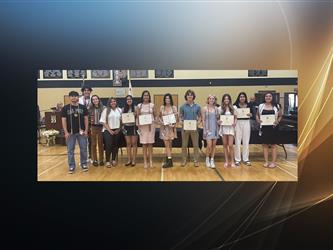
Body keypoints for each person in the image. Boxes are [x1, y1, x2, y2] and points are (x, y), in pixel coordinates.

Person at [61, 91, 89, 174]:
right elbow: (63, 120)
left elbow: (86, 119)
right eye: (72, 96)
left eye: (76, 96)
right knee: (70, 150)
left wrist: (86, 130)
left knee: (83, 149)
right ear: (69, 97)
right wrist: (66, 132)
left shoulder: (83, 107)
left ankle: (84, 164)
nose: (74, 98)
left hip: (82, 132)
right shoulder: (65, 108)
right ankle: (71, 166)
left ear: (78, 97)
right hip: (70, 133)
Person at [256, 92, 282, 168]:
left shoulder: (277, 106)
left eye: (270, 96)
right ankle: (266, 162)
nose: (268, 97)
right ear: (264, 97)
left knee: (273, 145)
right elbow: (257, 115)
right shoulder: (261, 106)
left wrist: (277, 121)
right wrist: (258, 120)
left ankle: (273, 162)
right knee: (265, 145)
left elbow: (280, 116)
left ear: (272, 97)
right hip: (264, 128)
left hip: (273, 128)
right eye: (266, 96)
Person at [179, 89, 201, 167]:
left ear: (193, 96)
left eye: (191, 95)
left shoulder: (197, 106)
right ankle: (184, 160)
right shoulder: (182, 107)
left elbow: (200, 117)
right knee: (184, 145)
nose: (190, 96)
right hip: (185, 129)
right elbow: (180, 117)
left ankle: (196, 160)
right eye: (188, 95)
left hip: (194, 129)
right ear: (186, 97)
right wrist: (181, 121)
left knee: (196, 145)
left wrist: (198, 122)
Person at [136, 90, 157, 169]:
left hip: (150, 126)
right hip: (142, 127)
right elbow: (137, 116)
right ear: (142, 96)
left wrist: (154, 121)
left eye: (147, 95)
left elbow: (155, 115)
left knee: (150, 144)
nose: (146, 97)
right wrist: (138, 126)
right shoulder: (139, 105)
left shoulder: (152, 105)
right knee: (144, 144)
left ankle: (151, 161)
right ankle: (145, 161)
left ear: (149, 97)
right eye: (144, 95)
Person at [100, 97, 122, 167]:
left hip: (117, 130)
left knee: (115, 146)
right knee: (108, 145)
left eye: (114, 101)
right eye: (111, 102)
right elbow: (103, 121)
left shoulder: (119, 110)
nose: (113, 103)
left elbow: (122, 121)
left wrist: (118, 129)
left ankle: (113, 159)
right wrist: (110, 130)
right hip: (107, 130)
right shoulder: (106, 110)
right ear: (109, 103)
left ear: (116, 102)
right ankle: (107, 161)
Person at [159, 93, 178, 168]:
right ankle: (170, 161)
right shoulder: (162, 107)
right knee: (166, 144)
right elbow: (159, 117)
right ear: (164, 99)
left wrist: (174, 124)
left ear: (171, 99)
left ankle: (168, 158)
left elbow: (177, 118)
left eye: (169, 98)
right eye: (166, 98)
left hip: (171, 128)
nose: (167, 100)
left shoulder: (174, 108)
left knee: (170, 145)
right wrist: (162, 123)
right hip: (164, 129)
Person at [233, 92, 252, 166]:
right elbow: (233, 116)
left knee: (246, 141)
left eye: (243, 97)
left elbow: (253, 114)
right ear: (238, 98)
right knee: (237, 141)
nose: (242, 98)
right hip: (238, 123)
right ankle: (237, 159)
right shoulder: (235, 106)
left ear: (245, 98)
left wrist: (250, 114)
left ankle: (246, 159)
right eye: (240, 97)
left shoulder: (249, 105)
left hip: (246, 122)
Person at [218, 94, 237, 168]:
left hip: (231, 128)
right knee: (225, 145)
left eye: (228, 99)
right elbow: (218, 118)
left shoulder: (233, 107)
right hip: (223, 128)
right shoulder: (220, 108)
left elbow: (236, 118)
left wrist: (235, 123)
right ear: (223, 100)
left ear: (230, 100)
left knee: (231, 145)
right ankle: (226, 161)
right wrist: (218, 121)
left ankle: (232, 161)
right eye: (225, 99)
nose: (226, 100)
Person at [201, 95, 219, 168]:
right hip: (208, 129)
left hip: (215, 128)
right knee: (209, 145)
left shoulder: (216, 108)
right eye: (210, 98)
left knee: (214, 146)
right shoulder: (204, 108)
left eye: (213, 99)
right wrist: (205, 129)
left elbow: (217, 118)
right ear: (208, 100)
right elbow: (203, 120)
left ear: (214, 100)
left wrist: (219, 121)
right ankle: (207, 159)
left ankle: (212, 160)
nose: (211, 100)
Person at [88, 95, 105, 167]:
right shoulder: (90, 109)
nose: (95, 100)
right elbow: (88, 119)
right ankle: (94, 159)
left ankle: (101, 159)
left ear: (99, 100)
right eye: (93, 99)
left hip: (101, 127)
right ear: (92, 101)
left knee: (101, 144)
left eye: (96, 99)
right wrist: (89, 127)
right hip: (93, 127)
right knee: (93, 144)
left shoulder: (103, 108)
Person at [122, 95, 138, 167]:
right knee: (128, 143)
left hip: (134, 127)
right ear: (126, 101)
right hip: (126, 127)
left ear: (132, 100)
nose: (129, 100)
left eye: (130, 99)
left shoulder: (135, 108)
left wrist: (136, 114)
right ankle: (129, 160)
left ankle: (134, 160)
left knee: (134, 143)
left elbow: (139, 117)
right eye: (127, 99)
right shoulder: (123, 109)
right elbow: (122, 119)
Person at [79, 86, 93, 163]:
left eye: (88, 90)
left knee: (91, 141)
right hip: (82, 123)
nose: (86, 92)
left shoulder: (93, 99)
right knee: (83, 141)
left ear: (90, 91)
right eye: (85, 90)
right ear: (83, 92)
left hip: (91, 122)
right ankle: (83, 158)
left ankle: (91, 156)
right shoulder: (79, 100)